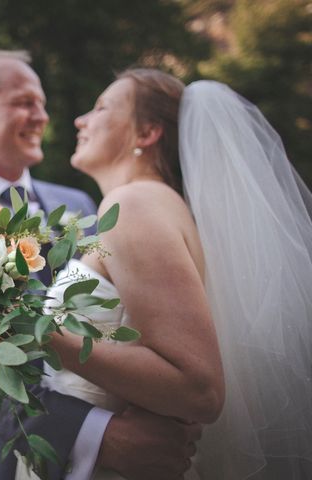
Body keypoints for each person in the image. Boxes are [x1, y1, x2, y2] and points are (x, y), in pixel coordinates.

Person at [42, 68, 312, 479]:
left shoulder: (133, 207)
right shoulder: (150, 206)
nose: (81, 120)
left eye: (101, 108)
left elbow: (198, 389)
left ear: (147, 133)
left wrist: (41, 334)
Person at [0, 49, 202, 480]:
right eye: (25, 102)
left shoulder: (82, 203)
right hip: (0, 460)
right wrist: (101, 436)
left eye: (43, 104)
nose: (43, 117)